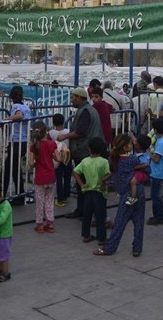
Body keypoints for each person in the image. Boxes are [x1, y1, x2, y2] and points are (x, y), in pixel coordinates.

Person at [94, 134, 148, 257]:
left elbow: (112, 173)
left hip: (127, 195)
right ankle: (137, 248)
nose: (132, 145)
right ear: (125, 147)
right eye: (129, 143)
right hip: (139, 192)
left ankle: (109, 248)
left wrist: (103, 181)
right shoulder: (132, 159)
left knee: (120, 222)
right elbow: (147, 170)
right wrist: (137, 174)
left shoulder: (115, 159)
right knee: (138, 221)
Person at [56, 88, 103, 219]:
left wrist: (64, 136)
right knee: (85, 182)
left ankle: (84, 211)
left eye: (73, 97)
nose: (71, 100)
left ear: (79, 97)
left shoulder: (85, 111)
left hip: (84, 151)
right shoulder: (89, 110)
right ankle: (83, 210)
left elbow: (80, 132)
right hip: (88, 150)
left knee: (83, 182)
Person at [73, 137, 109, 245]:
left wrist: (81, 184)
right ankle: (101, 238)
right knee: (100, 216)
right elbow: (108, 174)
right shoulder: (104, 161)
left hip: (87, 191)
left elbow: (75, 172)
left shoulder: (85, 161)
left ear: (89, 148)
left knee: (87, 215)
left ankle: (86, 235)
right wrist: (103, 181)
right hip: (100, 192)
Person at [29, 121, 58, 233]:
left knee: (40, 202)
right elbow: (58, 158)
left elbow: (31, 163)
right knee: (49, 201)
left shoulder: (34, 146)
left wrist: (36, 163)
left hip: (40, 178)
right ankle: (50, 223)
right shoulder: (52, 144)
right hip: (51, 177)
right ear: (46, 132)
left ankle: (40, 224)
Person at [4, 86, 31, 202]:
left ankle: (2, 195)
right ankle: (19, 195)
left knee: (8, 169)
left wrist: (7, 119)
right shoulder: (27, 107)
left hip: (16, 141)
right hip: (24, 141)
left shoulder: (15, 106)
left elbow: (19, 116)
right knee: (15, 168)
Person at [147, 118, 163, 225]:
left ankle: (159, 216)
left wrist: (148, 152)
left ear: (156, 130)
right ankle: (159, 215)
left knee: (155, 196)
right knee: (156, 195)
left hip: (157, 173)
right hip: (160, 172)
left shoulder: (161, 143)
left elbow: (156, 159)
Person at [48, 113, 72, 207]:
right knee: (67, 176)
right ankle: (66, 194)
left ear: (53, 123)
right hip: (67, 157)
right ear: (63, 121)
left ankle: (60, 197)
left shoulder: (51, 133)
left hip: (56, 158)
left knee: (58, 179)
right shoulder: (68, 131)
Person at [125, 135, 151, 206]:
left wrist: (134, 167)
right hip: (137, 172)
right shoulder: (138, 151)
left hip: (142, 173)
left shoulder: (145, 156)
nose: (134, 143)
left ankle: (133, 198)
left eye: (136, 142)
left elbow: (145, 165)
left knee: (133, 181)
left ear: (138, 145)